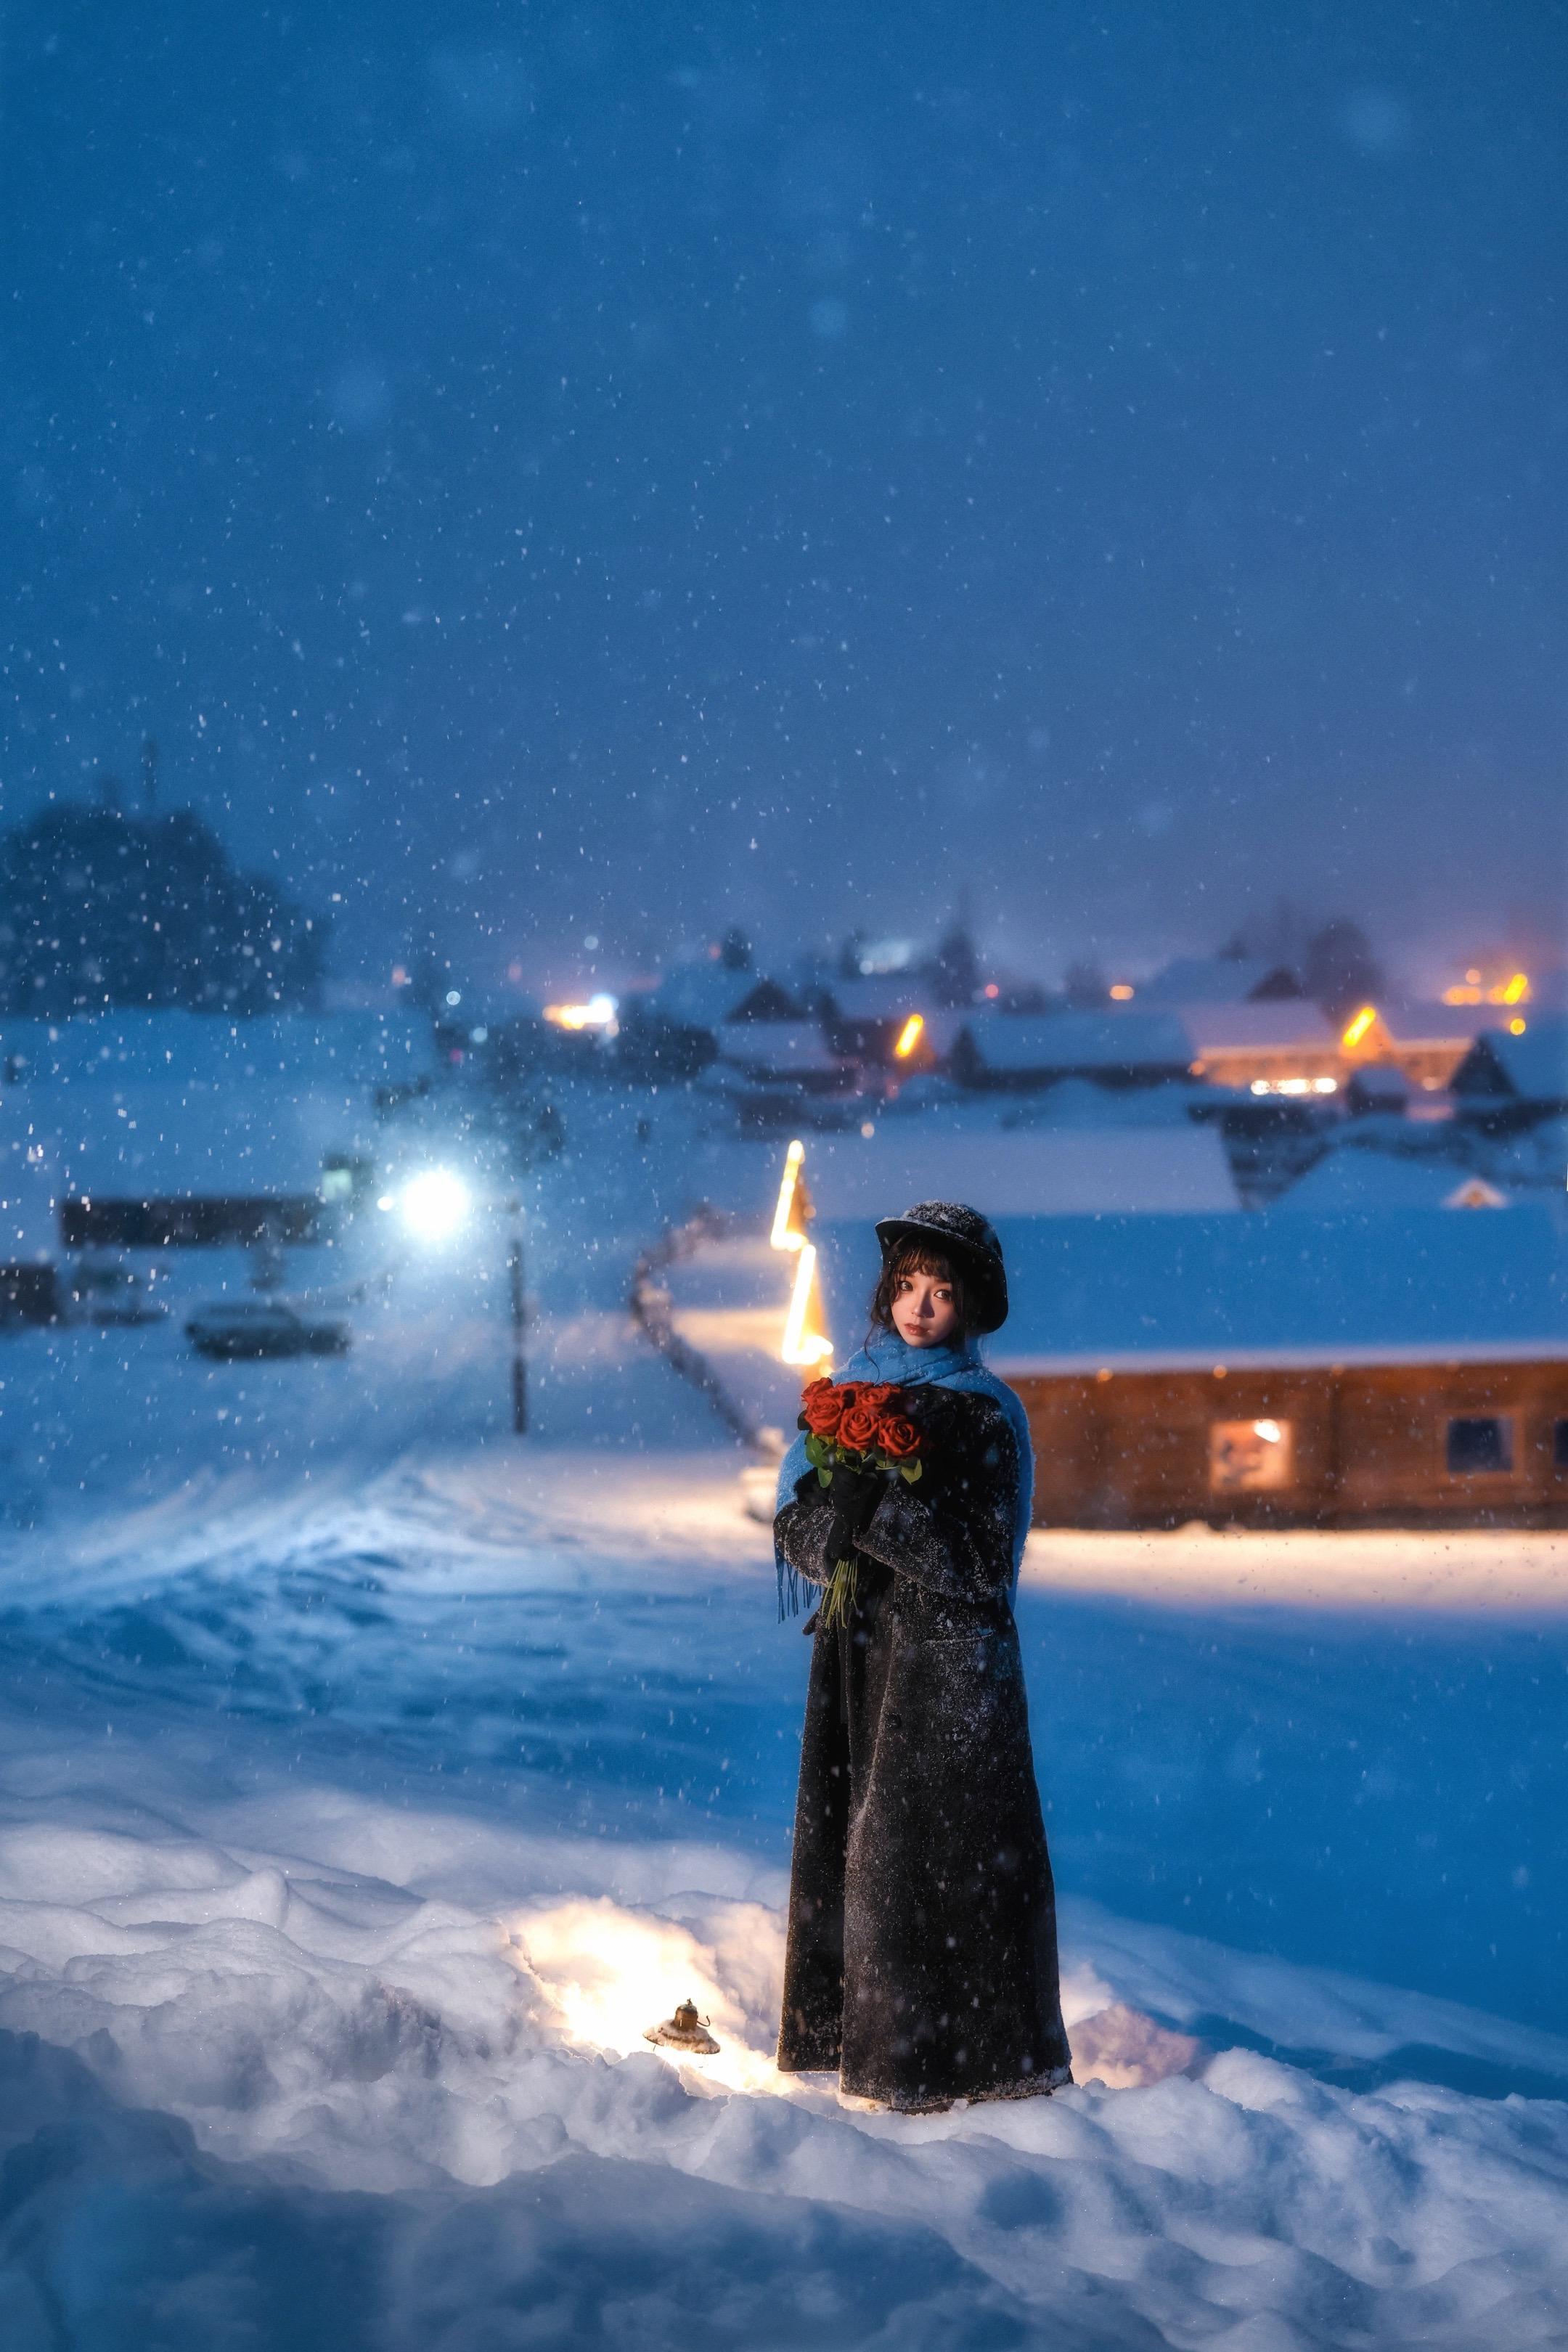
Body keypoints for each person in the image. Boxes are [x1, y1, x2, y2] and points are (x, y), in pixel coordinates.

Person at [772, 1199, 1072, 2112]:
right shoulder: (850, 1391)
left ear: (972, 1307)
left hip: (949, 1667)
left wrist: (873, 1508)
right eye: (906, 1285)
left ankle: (952, 2067)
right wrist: (839, 1518)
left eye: (942, 1291)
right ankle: (862, 2047)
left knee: (930, 1857)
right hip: (860, 1658)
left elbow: (976, 1563)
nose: (919, 1307)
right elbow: (798, 1523)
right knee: (852, 1843)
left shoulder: (984, 1415)